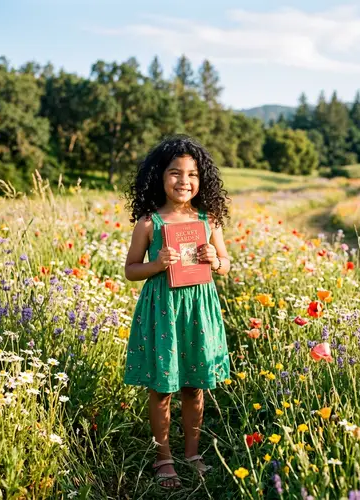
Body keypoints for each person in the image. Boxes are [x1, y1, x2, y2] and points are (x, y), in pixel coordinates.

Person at [123, 135, 231, 489]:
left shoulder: (208, 220)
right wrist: (156, 264)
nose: (184, 181)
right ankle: (164, 457)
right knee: (162, 387)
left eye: (192, 175)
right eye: (175, 173)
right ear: (159, 176)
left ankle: (192, 452)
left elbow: (226, 264)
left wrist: (215, 260)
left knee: (194, 385)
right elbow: (131, 270)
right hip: (163, 310)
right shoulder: (149, 223)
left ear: (202, 181)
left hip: (198, 309)